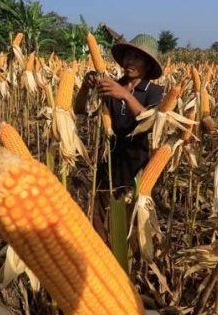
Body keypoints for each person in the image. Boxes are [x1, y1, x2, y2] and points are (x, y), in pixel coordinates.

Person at [75, 34, 164, 239]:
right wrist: (85, 87)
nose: (129, 62)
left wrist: (124, 95)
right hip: (108, 165)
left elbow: (150, 123)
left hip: (137, 169)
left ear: (148, 66)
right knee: (99, 221)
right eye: (128, 56)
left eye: (137, 58)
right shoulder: (111, 85)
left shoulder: (155, 92)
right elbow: (80, 110)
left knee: (129, 228)